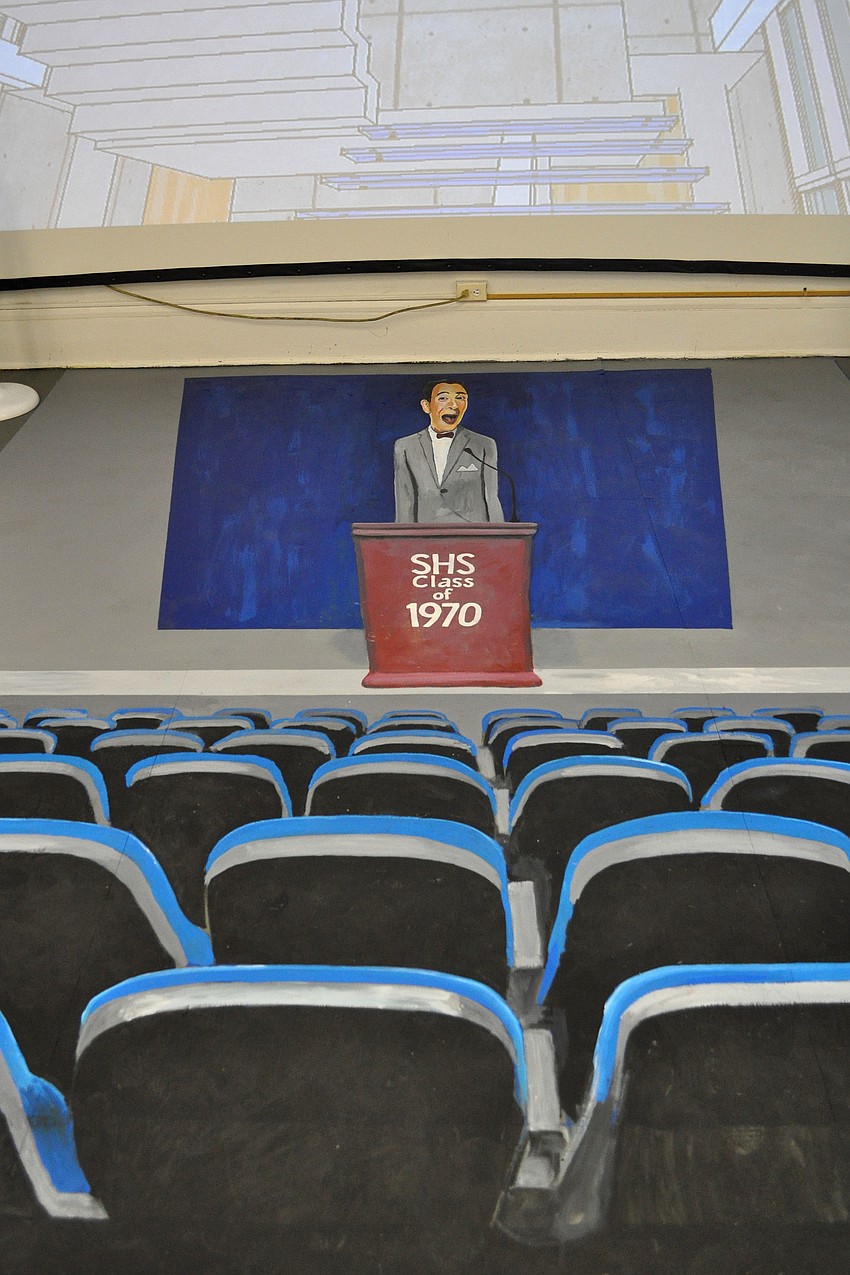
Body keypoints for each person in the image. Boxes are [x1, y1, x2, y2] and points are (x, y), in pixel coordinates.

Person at [393, 379, 504, 523]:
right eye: (443, 398)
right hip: (426, 538)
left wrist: (499, 539)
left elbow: (492, 498)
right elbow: (405, 502)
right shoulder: (405, 446)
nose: (453, 405)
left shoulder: (484, 445)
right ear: (426, 406)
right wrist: (403, 543)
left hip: (474, 537)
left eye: (460, 398)